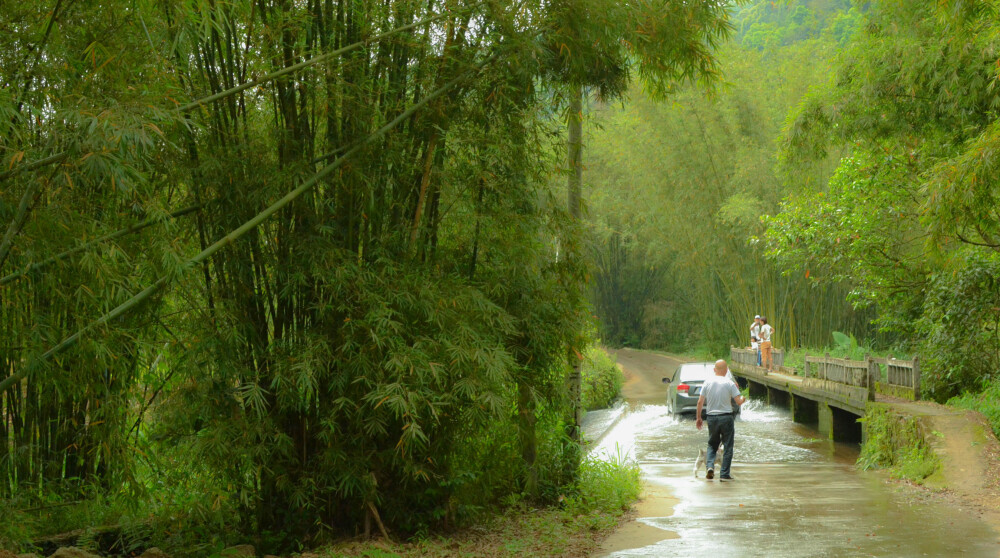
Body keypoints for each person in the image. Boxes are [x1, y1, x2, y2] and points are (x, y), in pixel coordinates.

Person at [696, 360, 746, 481]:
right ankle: (724, 474)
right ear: (726, 370)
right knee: (728, 446)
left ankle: (709, 467)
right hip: (726, 418)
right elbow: (738, 402)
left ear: (715, 370)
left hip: (712, 418)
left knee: (712, 445)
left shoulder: (707, 382)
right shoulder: (729, 383)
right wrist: (743, 397)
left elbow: (700, 402)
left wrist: (698, 418)